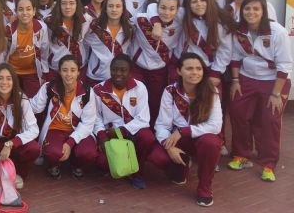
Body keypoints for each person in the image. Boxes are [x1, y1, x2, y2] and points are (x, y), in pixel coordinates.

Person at [228, 0, 292, 182]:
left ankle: (268, 163)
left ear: (263, 11)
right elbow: (235, 57)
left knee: (270, 120)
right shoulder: (239, 30)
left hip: (273, 81)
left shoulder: (277, 32)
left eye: (256, 9)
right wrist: (235, 81)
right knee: (238, 112)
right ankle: (241, 155)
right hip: (246, 77)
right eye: (247, 9)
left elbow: (284, 65)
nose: (251, 12)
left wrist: (276, 94)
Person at [150, 53, 222, 207]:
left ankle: (204, 188)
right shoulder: (170, 91)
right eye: (189, 68)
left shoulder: (212, 91)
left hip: (200, 138)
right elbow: (162, 125)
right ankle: (182, 165)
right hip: (178, 141)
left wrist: (184, 131)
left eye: (198, 68)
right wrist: (168, 147)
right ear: (179, 71)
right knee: (157, 156)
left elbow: (215, 125)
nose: (195, 72)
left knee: (211, 142)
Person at [30, 55, 97, 179]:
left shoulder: (87, 92)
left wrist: (70, 143)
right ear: (59, 72)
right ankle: (53, 165)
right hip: (54, 130)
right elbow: (35, 107)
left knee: (89, 153)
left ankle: (76, 164)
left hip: (77, 130)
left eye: (73, 70)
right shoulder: (50, 87)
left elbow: (88, 123)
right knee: (53, 153)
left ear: (78, 72)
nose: (69, 74)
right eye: (65, 70)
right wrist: (17, 100)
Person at [93, 54, 155, 189]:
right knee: (102, 163)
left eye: (123, 70)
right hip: (110, 134)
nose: (118, 74)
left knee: (148, 137)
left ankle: (137, 173)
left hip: (132, 131)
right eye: (114, 69)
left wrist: (121, 131)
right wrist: (101, 135)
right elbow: (96, 118)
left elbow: (144, 118)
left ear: (130, 72)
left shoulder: (140, 87)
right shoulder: (99, 90)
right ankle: (114, 167)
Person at [0, 64, 39, 192]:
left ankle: (17, 173)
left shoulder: (22, 99)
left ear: (14, 81)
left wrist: (12, 143)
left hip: (12, 143)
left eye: (8, 78)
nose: (4, 82)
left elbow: (34, 129)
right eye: (0, 78)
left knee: (33, 148)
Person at [130, 0, 182, 126]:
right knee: (135, 102)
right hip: (138, 68)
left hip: (159, 71)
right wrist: (156, 23)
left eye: (172, 9)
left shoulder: (180, 24)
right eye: (163, 8)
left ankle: (152, 134)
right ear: (157, 8)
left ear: (177, 10)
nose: (167, 12)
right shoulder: (142, 19)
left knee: (155, 104)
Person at [179, 0, 233, 89]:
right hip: (189, 69)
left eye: (203, 0)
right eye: (194, 1)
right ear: (188, 5)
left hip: (211, 69)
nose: (199, 4)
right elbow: (154, 7)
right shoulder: (184, 18)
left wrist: (216, 72)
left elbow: (225, 50)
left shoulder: (220, 21)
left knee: (211, 103)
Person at [83, 0, 133, 87]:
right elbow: (82, 41)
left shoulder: (129, 28)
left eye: (118, 6)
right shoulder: (94, 27)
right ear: (105, 9)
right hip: (96, 77)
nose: (114, 9)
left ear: (123, 10)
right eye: (110, 6)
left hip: (119, 77)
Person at [5, 0, 49, 98]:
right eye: (20, 9)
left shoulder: (41, 27)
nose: (25, 13)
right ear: (16, 12)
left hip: (32, 72)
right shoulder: (9, 29)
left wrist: (44, 74)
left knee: (33, 102)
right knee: (13, 102)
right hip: (12, 72)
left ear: (34, 11)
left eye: (28, 9)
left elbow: (44, 52)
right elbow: (3, 54)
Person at [46, 0, 91, 81]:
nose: (67, 7)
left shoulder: (87, 19)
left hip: (78, 69)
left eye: (71, 3)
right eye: (64, 3)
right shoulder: (49, 21)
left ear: (77, 4)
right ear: (58, 4)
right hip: (56, 68)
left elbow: (89, 40)